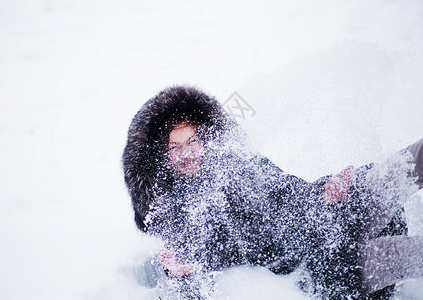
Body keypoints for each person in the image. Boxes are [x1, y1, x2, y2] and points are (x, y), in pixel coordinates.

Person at [122, 86, 423, 299]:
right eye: (174, 148)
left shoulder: (237, 162)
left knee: (401, 167)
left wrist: (323, 194)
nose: (186, 153)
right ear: (161, 157)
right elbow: (180, 279)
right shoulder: (175, 213)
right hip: (315, 266)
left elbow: (283, 187)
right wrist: (178, 275)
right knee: (408, 254)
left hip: (321, 211)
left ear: (205, 139)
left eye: (192, 142)